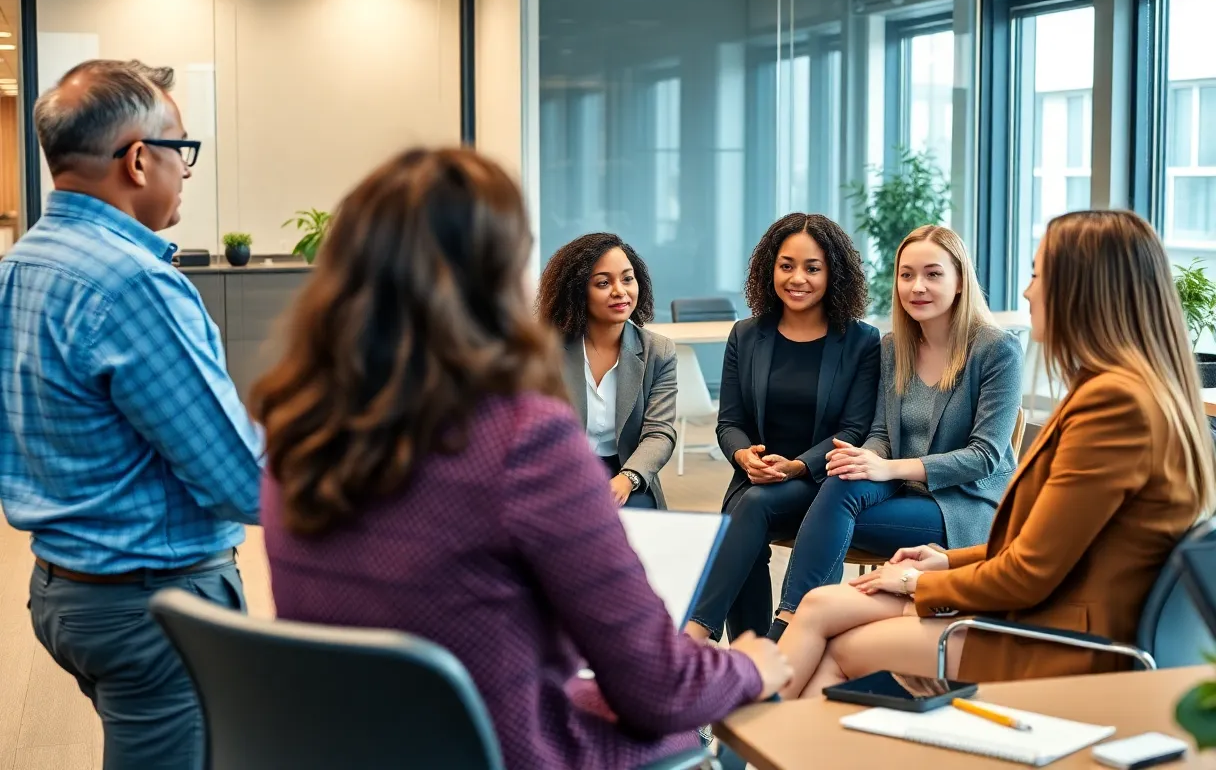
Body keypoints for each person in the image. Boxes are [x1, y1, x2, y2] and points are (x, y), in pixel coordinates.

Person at [256, 148, 791, 770]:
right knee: (721, 733)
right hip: (499, 747)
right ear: (494, 272)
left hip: (356, 744)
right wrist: (749, 665)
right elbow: (660, 688)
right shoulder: (516, 438)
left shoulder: (297, 427)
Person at [775, 209, 1215, 698]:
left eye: (1037, 274)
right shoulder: (1130, 391)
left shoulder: (1113, 407)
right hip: (1046, 605)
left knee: (842, 644)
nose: (1028, 291)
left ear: (1083, 289)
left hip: (1057, 636)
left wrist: (918, 586)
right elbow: (1052, 552)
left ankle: (745, 749)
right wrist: (943, 564)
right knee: (819, 605)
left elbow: (1028, 573)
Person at [0, 60, 262, 768]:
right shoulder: (134, 284)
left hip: (64, 590)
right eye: (183, 149)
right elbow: (242, 480)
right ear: (140, 159)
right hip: (151, 607)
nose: (187, 169)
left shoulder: (21, 265)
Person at [769, 225, 1023, 639]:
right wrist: (863, 459)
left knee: (826, 513)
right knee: (842, 481)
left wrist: (887, 469)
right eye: (907, 275)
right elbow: (882, 433)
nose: (917, 286)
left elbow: (985, 456)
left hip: (962, 506)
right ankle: (802, 623)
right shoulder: (893, 347)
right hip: (903, 493)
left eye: (933, 274)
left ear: (960, 281)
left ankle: (794, 628)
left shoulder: (996, 350)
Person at [684, 213, 880, 643]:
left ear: (834, 273)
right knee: (745, 508)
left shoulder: (862, 341)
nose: (798, 278)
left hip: (821, 479)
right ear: (769, 268)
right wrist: (742, 456)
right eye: (786, 265)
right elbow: (730, 421)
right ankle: (749, 651)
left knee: (748, 508)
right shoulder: (747, 335)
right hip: (756, 475)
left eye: (813, 268)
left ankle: (699, 635)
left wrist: (796, 466)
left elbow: (854, 428)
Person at [537, 233, 675, 509]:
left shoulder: (657, 351)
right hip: (560, 472)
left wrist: (627, 479)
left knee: (636, 517)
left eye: (627, 278)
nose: (620, 291)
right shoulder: (545, 350)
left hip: (626, 470)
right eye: (603, 283)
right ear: (577, 291)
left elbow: (659, 433)